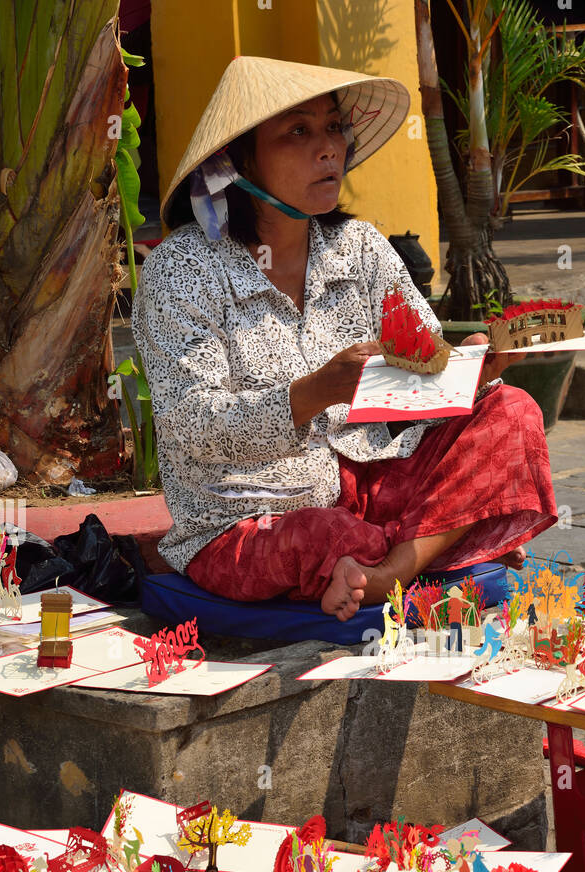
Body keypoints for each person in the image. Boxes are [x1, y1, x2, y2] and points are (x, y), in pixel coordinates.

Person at [132, 56, 557, 622]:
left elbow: (421, 373)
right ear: (237, 161)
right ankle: (432, 544)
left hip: (369, 482)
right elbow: (193, 426)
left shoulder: (360, 247)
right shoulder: (181, 272)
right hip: (248, 518)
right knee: (323, 536)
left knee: (513, 413)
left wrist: (472, 370)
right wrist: (318, 390)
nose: (329, 147)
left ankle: (386, 574)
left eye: (334, 127)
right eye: (299, 131)